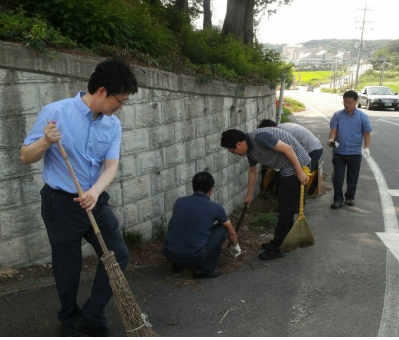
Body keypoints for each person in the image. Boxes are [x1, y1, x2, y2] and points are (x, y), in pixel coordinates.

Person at [20, 58, 138, 337]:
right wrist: (46, 141)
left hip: (95, 201)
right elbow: (26, 156)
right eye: (119, 101)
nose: (120, 107)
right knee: (68, 268)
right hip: (60, 203)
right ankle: (69, 317)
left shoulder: (113, 125)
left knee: (118, 254)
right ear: (101, 91)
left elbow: (111, 166)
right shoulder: (55, 112)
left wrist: (95, 192)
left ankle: (92, 315)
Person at [220, 128, 310, 260]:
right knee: (286, 208)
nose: (235, 154)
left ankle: (276, 248)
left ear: (239, 144)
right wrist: (249, 195)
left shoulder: (259, 138)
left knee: (285, 210)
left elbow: (288, 149)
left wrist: (300, 172)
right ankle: (285, 242)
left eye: (233, 151)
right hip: (285, 168)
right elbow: (252, 171)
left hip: (297, 165)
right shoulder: (250, 151)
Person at [163, 172, 241, 279]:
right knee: (223, 228)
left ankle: (177, 265)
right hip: (194, 258)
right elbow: (231, 230)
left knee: (182, 226)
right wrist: (235, 246)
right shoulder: (215, 208)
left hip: (169, 254)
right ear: (210, 190)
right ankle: (205, 269)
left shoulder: (179, 201)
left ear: (193, 187)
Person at [328, 89, 372, 209]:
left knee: (352, 177)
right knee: (338, 177)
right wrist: (331, 140)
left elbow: (367, 133)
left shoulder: (363, 117)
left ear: (356, 102)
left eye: (350, 102)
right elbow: (333, 131)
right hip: (339, 152)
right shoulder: (337, 115)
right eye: (345, 102)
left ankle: (350, 196)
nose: (347, 105)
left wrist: (367, 148)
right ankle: (338, 199)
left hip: (355, 153)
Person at [258, 119, 324, 194]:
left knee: (300, 176)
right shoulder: (282, 128)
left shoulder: (282, 133)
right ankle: (286, 197)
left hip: (312, 150)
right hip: (311, 148)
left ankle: (298, 201)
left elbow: (288, 153)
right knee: (294, 174)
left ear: (272, 127)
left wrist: (274, 170)